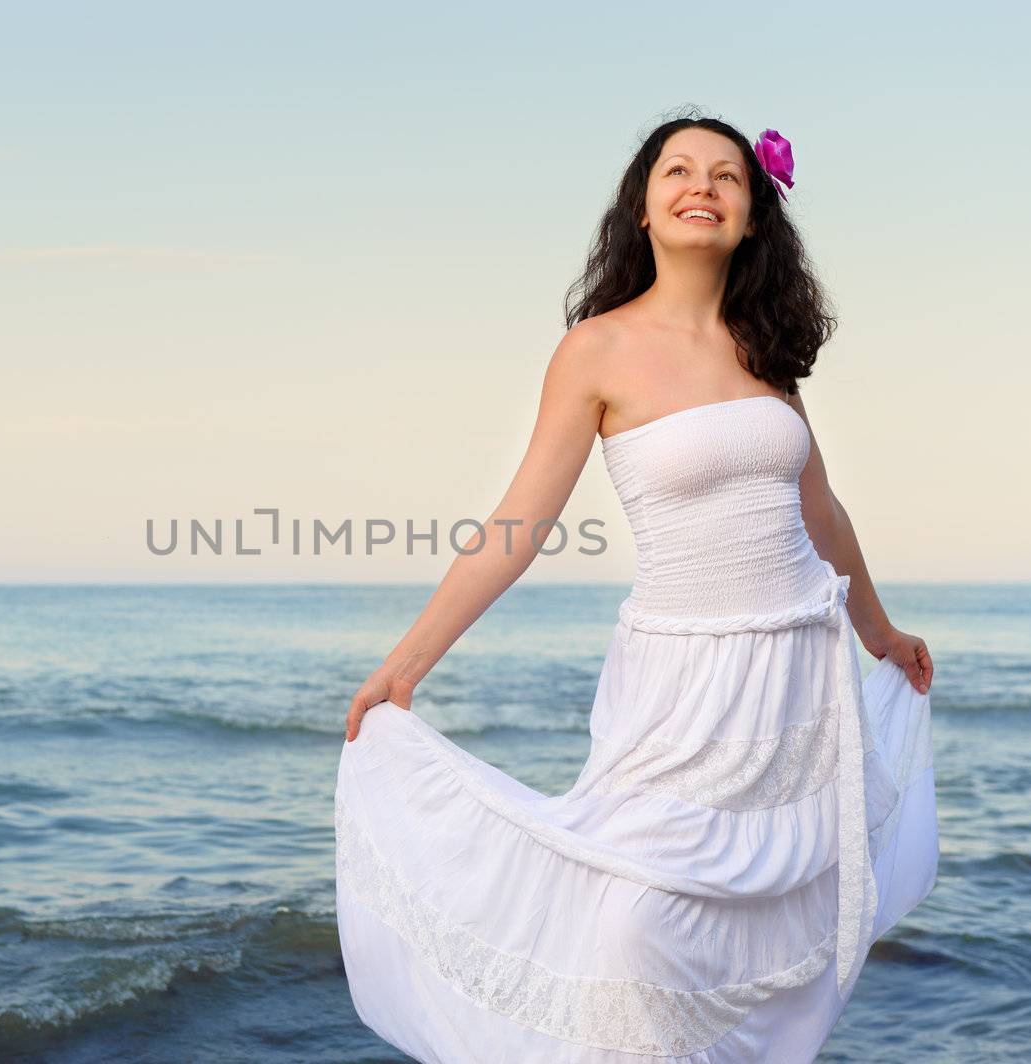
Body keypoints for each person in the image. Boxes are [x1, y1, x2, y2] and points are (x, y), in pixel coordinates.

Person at [334, 111, 940, 1063]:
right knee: (633, 930)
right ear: (645, 207)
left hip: (793, 691)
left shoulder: (767, 355)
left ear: (751, 215)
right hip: (679, 688)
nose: (702, 185)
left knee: (759, 937)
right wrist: (404, 667)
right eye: (678, 171)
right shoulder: (598, 350)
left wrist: (881, 634)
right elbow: (517, 525)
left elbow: (820, 514)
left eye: (727, 176)